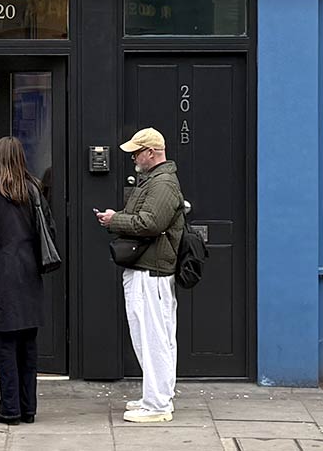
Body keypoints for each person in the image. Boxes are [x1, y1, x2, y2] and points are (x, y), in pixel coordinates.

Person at [96, 127, 183, 423]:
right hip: (148, 269)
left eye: (136, 152)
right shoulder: (157, 182)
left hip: (151, 272)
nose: (133, 157)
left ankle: (157, 405)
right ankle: (156, 397)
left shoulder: (162, 184)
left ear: (151, 152)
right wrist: (118, 218)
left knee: (153, 338)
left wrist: (113, 220)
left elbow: (149, 224)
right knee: (153, 336)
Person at [0, 136, 53, 426]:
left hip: (1, 275)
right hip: (30, 273)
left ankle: (10, 409)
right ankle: (28, 409)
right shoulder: (34, 189)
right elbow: (49, 230)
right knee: (28, 347)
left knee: (5, 346)